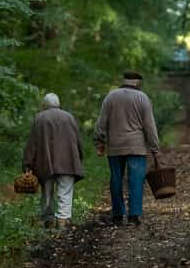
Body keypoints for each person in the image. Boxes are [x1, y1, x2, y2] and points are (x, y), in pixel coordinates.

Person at [93, 71, 161, 227]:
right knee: (136, 180)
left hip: (115, 147)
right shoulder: (142, 98)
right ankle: (134, 216)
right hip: (136, 147)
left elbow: (101, 122)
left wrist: (99, 141)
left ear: (124, 81)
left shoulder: (111, 96)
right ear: (138, 83)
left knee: (116, 179)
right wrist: (155, 149)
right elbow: (149, 126)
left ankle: (117, 215)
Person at [23, 93, 85, 231]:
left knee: (47, 192)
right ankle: (62, 221)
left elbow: (32, 143)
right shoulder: (69, 117)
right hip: (68, 161)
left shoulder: (39, 118)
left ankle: (48, 221)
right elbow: (77, 140)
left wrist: (27, 164)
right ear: (59, 104)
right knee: (65, 191)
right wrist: (79, 156)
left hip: (46, 163)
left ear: (44, 105)